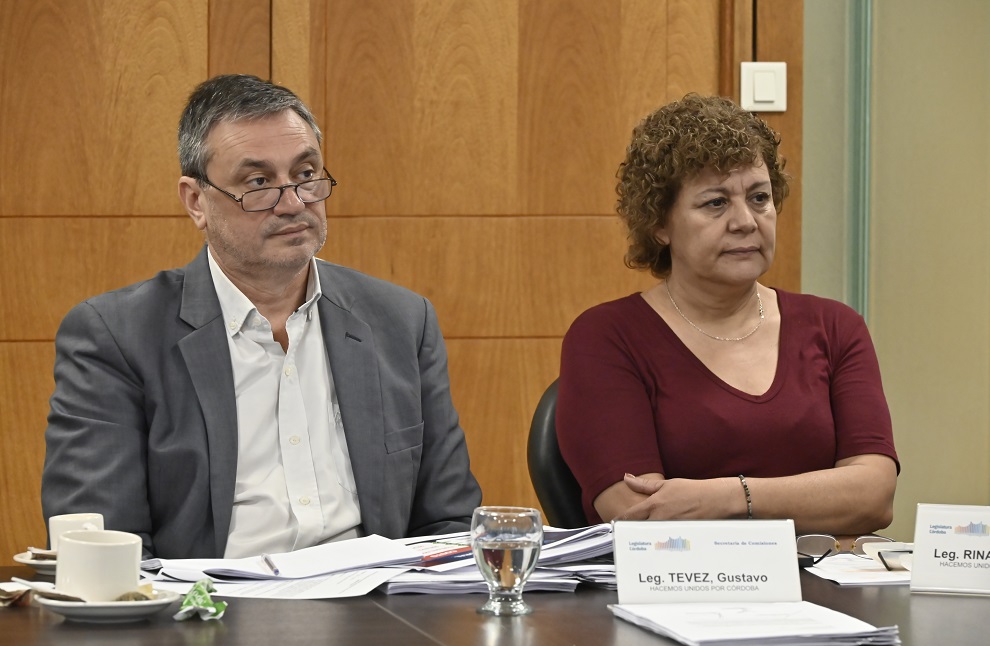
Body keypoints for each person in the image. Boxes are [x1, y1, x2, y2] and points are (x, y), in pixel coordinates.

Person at [42, 74, 482, 559]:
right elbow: (101, 550)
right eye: (258, 183)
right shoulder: (117, 337)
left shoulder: (400, 320)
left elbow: (449, 523)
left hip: (374, 599)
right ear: (196, 201)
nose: (293, 203)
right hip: (209, 603)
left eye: (306, 174)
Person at [556, 94, 898, 535]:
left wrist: (730, 497)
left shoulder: (835, 327)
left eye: (759, 198)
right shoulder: (606, 337)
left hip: (828, 576)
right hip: (683, 577)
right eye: (715, 203)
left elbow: (874, 495)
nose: (746, 221)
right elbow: (642, 513)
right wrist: (812, 502)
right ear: (659, 223)